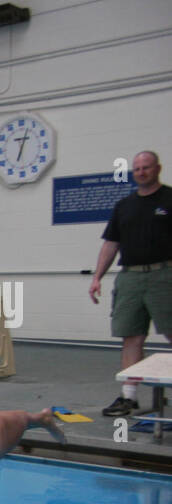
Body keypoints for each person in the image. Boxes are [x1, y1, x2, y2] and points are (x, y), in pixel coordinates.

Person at [88, 150, 172, 417]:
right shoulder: (124, 206)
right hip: (130, 277)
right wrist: (97, 277)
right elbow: (111, 243)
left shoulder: (170, 199)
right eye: (137, 168)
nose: (141, 172)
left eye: (146, 167)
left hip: (164, 275)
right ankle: (129, 397)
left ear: (157, 168)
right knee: (131, 336)